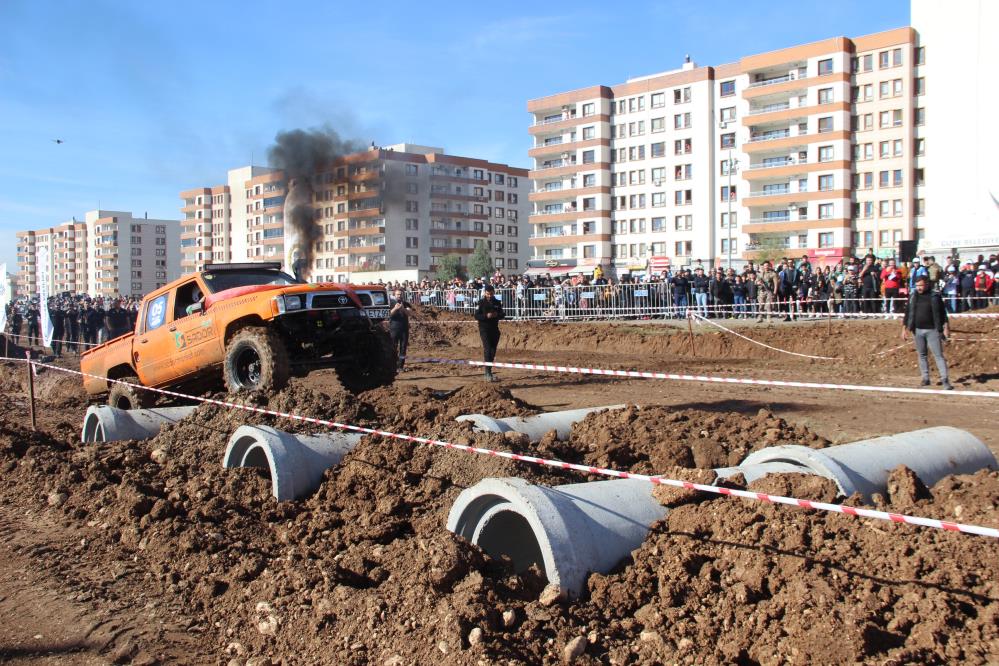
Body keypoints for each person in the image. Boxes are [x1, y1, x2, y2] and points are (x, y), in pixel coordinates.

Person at [902, 275, 952, 390]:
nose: (918, 288)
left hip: (933, 330)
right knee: (922, 354)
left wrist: (946, 327)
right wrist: (904, 329)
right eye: (917, 285)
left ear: (927, 284)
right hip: (917, 330)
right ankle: (925, 378)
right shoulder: (913, 296)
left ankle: (945, 379)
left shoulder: (935, 296)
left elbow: (943, 313)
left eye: (921, 285)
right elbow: (908, 313)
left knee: (938, 355)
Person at [474, 283, 505, 382]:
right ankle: (487, 373)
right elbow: (476, 316)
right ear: (485, 293)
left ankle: (489, 370)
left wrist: (497, 315)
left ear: (493, 293)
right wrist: (486, 316)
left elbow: (502, 314)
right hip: (484, 329)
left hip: (494, 329)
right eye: (488, 294)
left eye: (491, 294)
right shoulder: (481, 303)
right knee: (487, 349)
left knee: (493, 351)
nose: (489, 296)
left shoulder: (497, 302)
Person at [388, 288, 415, 371]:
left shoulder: (406, 304)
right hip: (394, 328)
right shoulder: (391, 304)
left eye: (400, 294)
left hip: (404, 329)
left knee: (403, 348)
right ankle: (392, 366)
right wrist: (395, 308)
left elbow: (410, 313)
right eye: (398, 294)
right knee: (393, 347)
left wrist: (403, 308)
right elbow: (387, 314)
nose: (399, 296)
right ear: (394, 295)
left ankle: (400, 366)